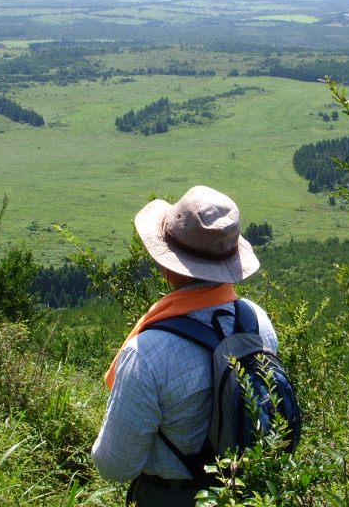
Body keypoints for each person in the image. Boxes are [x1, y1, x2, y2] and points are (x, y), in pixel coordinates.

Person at [92, 185, 278, 507]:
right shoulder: (256, 321)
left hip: (171, 497)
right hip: (251, 492)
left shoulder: (147, 352)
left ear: (168, 266)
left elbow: (115, 467)